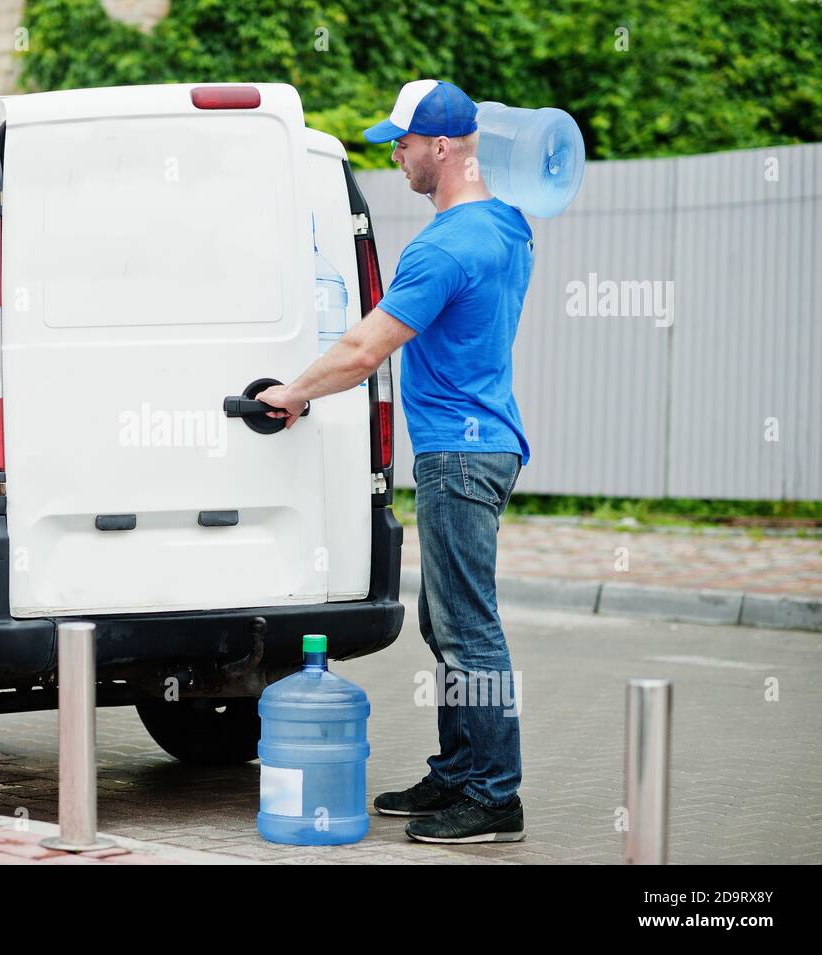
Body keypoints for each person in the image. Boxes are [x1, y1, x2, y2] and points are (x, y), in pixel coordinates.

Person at [255, 79, 532, 844]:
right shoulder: (509, 227)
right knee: (445, 623)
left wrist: (294, 392)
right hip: (486, 444)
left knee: (469, 627)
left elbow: (363, 347)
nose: (397, 154)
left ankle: (494, 793)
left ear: (442, 147)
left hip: (459, 453)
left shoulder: (444, 246)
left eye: (404, 142)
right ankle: (458, 771)